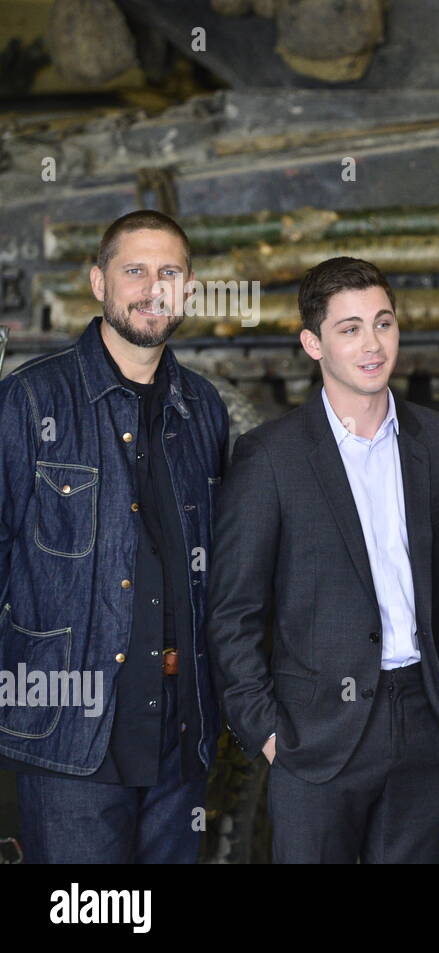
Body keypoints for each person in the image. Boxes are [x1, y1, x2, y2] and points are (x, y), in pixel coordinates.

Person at [206, 256, 439, 863]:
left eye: (383, 323)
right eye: (350, 328)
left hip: (425, 719)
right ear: (313, 343)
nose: (372, 344)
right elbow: (233, 611)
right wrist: (268, 731)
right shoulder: (270, 458)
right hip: (314, 734)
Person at [0, 210, 229, 863]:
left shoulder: (204, 408)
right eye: (135, 269)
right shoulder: (29, 401)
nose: (152, 286)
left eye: (169, 272)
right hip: (70, 737)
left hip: (180, 736)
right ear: (98, 280)